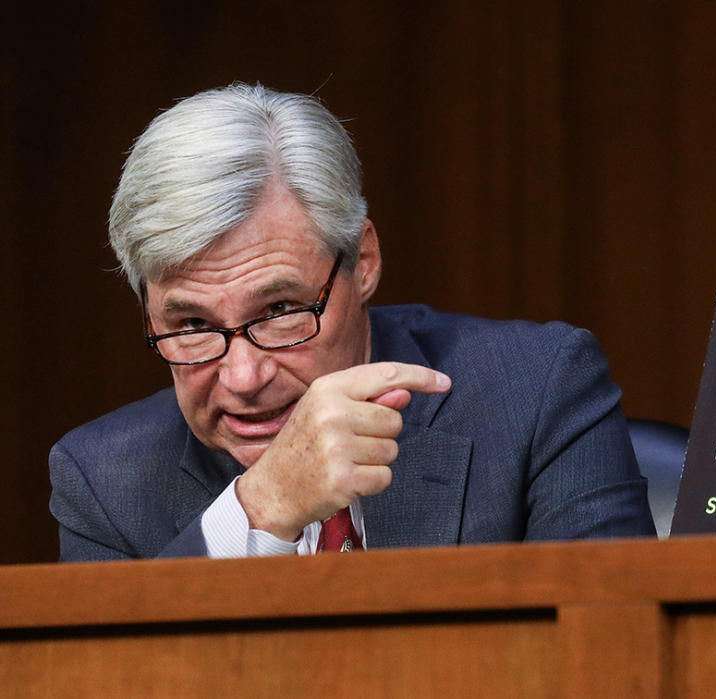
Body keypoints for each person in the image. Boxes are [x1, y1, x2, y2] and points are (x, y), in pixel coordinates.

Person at [49, 83, 655, 560]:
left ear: (362, 263)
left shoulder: (536, 391)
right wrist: (259, 511)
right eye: (190, 325)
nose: (241, 376)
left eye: (281, 311)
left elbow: (610, 649)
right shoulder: (104, 481)